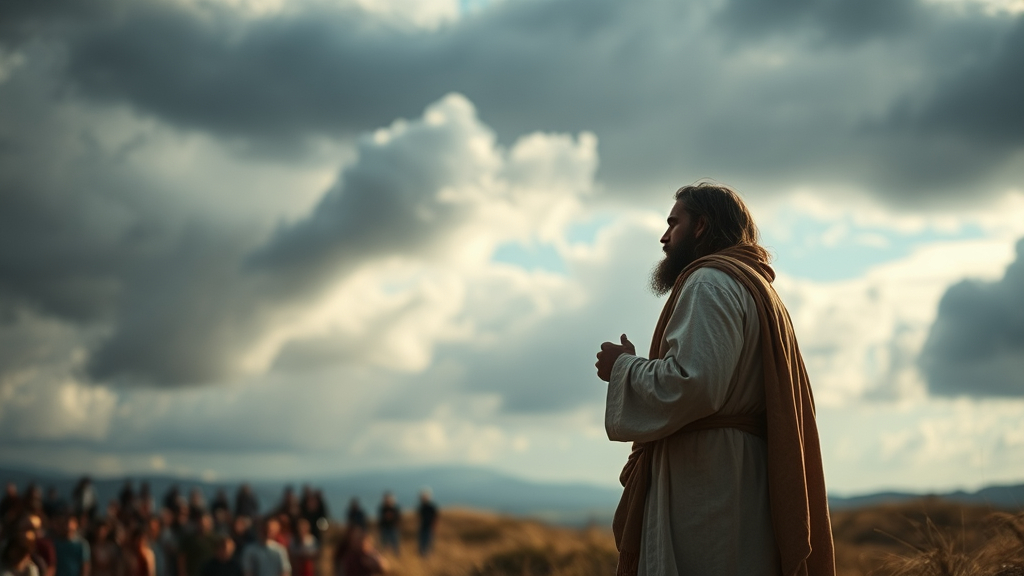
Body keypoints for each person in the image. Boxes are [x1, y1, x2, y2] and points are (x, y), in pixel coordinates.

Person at [596, 182, 835, 576]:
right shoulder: (756, 288)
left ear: (702, 225)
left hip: (708, 483)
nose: (664, 235)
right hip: (741, 474)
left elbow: (696, 383)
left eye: (674, 223)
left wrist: (623, 367)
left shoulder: (709, 282)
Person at [414, 491, 437, 558]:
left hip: (429, 528)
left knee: (428, 544)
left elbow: (435, 518)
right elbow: (418, 517)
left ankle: (428, 557)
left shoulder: (431, 507)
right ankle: (422, 557)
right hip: (422, 528)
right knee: (421, 544)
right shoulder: (421, 507)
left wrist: (433, 527)